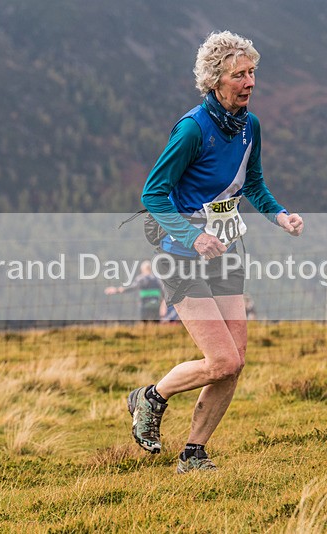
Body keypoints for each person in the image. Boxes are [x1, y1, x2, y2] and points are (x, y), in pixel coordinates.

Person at [126, 30, 304, 473]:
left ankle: (193, 453)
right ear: (214, 80)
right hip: (180, 255)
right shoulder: (192, 129)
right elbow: (153, 194)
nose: (250, 82)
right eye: (239, 75)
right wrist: (192, 238)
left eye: (252, 72)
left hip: (225, 252)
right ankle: (151, 397)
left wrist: (280, 215)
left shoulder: (250, 125)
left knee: (234, 363)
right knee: (221, 359)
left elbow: (253, 184)